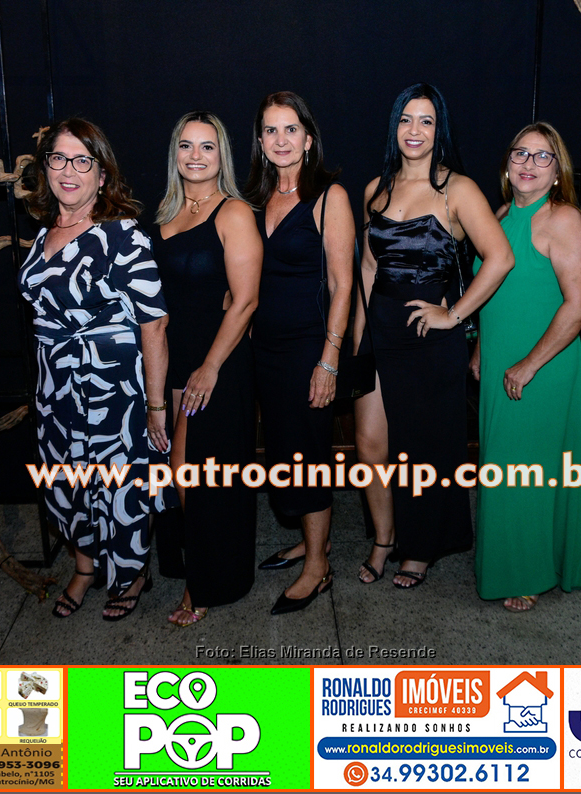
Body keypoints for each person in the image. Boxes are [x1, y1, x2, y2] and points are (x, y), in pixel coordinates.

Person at [353, 83, 514, 589]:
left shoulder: (458, 189)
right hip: (379, 333)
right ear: (394, 126)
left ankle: (420, 547)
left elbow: (501, 258)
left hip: (429, 340)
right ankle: (384, 538)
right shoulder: (375, 189)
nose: (415, 130)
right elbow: (368, 267)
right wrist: (355, 343)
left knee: (423, 448)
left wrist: (455, 315)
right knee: (370, 444)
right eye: (406, 119)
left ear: (439, 128)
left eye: (426, 120)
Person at [19, 118, 172, 621]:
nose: (69, 171)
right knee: (64, 484)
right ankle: (85, 567)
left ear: (102, 176)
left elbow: (154, 324)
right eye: (58, 159)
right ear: (46, 168)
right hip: (54, 387)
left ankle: (131, 574)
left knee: (117, 487)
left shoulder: (122, 236)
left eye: (82, 161)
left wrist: (155, 406)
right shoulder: (44, 232)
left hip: (110, 387)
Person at [469, 122, 581, 611]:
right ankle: (515, 558)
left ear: (558, 170)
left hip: (542, 367)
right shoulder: (502, 214)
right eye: (520, 153)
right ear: (507, 163)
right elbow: (493, 291)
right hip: (502, 359)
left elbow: (580, 303)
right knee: (500, 467)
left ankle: (526, 572)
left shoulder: (563, 219)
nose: (529, 164)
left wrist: (529, 364)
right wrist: (482, 348)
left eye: (543, 156)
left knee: (524, 470)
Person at [149, 111, 262, 627]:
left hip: (217, 361)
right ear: (175, 153)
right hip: (173, 359)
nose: (196, 156)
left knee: (193, 473)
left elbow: (246, 300)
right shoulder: (166, 212)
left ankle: (205, 583)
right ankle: (202, 567)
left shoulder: (233, 212)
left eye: (207, 147)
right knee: (182, 473)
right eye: (186, 146)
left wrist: (210, 367)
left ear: (222, 156)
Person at [244, 91, 354, 614]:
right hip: (263, 349)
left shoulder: (330, 196)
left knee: (308, 457)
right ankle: (313, 543)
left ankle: (317, 567)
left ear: (308, 139)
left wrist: (328, 360)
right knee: (286, 453)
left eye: (291, 129)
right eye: (271, 130)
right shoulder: (254, 198)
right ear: (260, 141)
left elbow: (343, 283)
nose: (281, 139)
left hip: (309, 348)